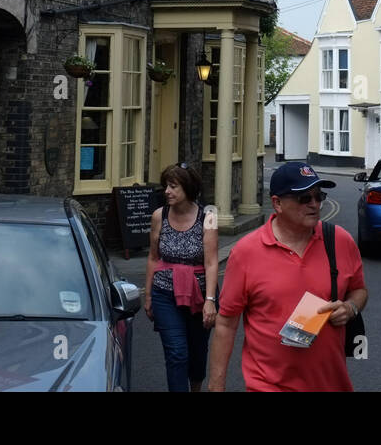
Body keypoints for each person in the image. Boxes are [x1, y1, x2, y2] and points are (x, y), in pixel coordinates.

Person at [208, 162, 367, 392]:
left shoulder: (340, 241)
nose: (314, 204)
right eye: (304, 198)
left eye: (318, 196)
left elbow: (359, 290)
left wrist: (350, 308)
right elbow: (226, 324)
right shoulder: (246, 252)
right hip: (268, 385)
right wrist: (216, 386)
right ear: (277, 203)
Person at [144, 164, 218, 392]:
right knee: (176, 352)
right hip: (165, 293)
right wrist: (148, 295)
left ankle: (195, 387)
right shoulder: (159, 216)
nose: (166, 191)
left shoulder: (209, 217)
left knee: (197, 352)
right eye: (166, 185)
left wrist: (210, 300)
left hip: (198, 295)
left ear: (188, 188)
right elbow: (153, 257)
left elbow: (211, 262)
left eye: (173, 186)